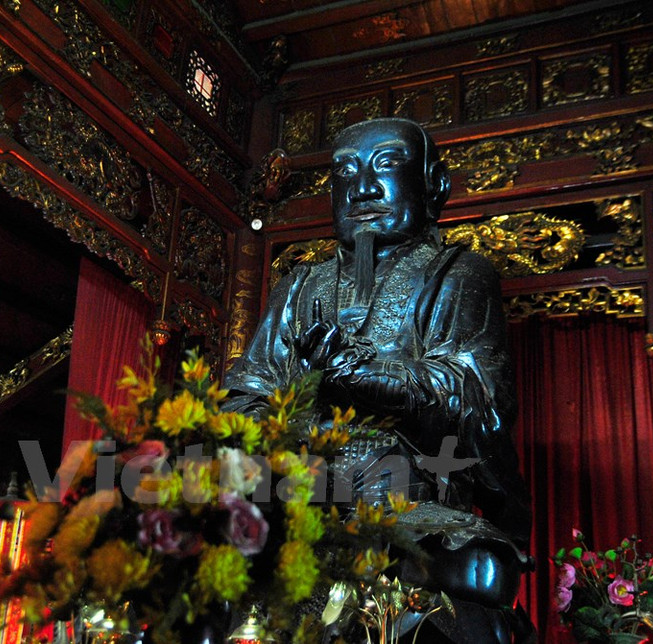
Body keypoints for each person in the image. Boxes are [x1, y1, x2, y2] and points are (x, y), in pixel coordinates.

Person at [223, 118, 533, 643]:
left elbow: (482, 400)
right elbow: (245, 395)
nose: (363, 187)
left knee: (478, 571)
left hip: (410, 501)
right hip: (301, 492)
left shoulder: (458, 274)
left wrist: (371, 377)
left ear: (435, 184)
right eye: (345, 172)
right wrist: (289, 422)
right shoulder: (300, 285)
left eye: (386, 165)